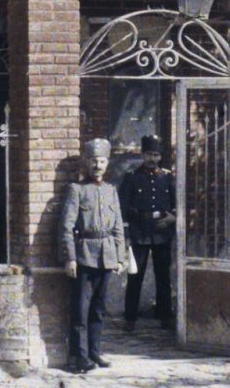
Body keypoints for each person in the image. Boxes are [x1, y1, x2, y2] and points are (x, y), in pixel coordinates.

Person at [59, 137, 127, 374]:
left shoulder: (111, 191)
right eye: (93, 161)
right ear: (86, 163)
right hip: (84, 255)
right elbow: (66, 227)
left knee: (98, 309)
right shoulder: (76, 190)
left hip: (106, 255)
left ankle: (95, 353)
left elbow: (118, 226)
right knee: (80, 309)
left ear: (107, 163)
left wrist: (120, 257)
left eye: (102, 161)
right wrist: (70, 258)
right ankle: (80, 357)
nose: (98, 165)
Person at [120, 133, 176, 332]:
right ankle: (130, 318)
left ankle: (165, 317)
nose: (153, 159)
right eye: (149, 155)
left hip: (162, 232)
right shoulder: (132, 177)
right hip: (140, 231)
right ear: (142, 155)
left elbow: (178, 202)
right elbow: (123, 206)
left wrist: (172, 217)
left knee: (163, 276)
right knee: (136, 276)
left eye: (156, 155)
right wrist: (127, 233)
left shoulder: (167, 177)